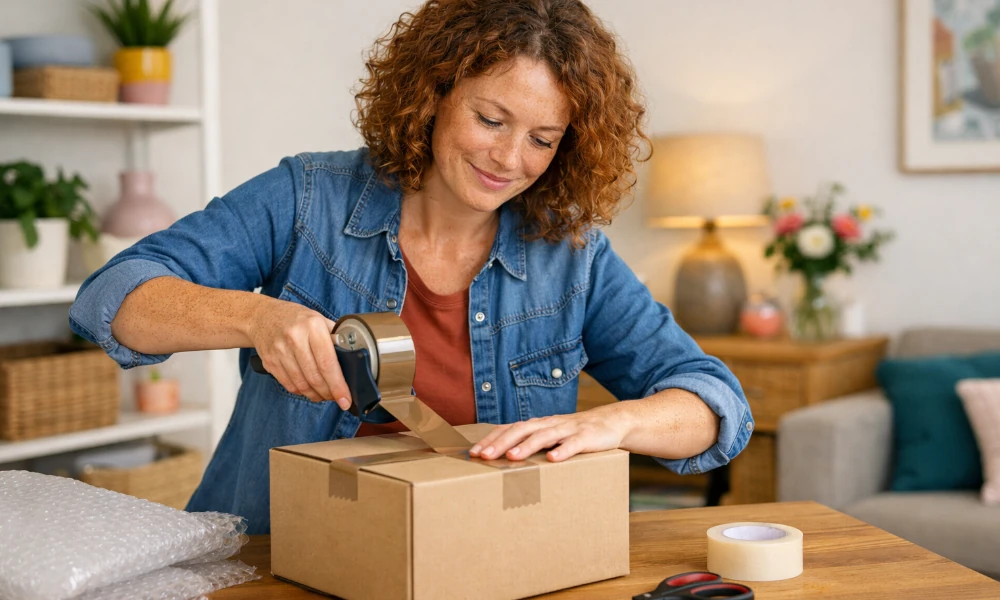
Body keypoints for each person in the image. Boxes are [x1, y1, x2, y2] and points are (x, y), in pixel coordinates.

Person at [70, 0, 752, 534]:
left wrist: (615, 424)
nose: (510, 159)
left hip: (474, 555)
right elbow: (113, 295)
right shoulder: (307, 200)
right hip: (278, 553)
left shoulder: (569, 255)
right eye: (491, 119)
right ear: (434, 93)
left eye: (542, 139)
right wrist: (257, 317)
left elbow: (715, 404)